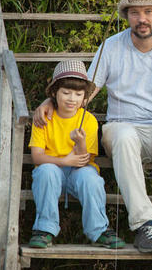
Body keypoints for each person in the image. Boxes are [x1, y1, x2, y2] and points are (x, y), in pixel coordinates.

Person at [34, 0, 152, 254]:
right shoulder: (111, 47)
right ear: (126, 15)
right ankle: (144, 224)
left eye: (149, 11)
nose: (142, 19)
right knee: (123, 135)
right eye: (135, 13)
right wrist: (50, 101)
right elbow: (83, 93)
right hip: (123, 129)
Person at [29, 60, 125, 249]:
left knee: (92, 179)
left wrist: (80, 142)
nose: (72, 98)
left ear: (84, 98)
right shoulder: (44, 118)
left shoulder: (87, 120)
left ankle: (98, 230)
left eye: (78, 94)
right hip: (52, 170)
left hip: (78, 172)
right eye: (66, 92)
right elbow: (37, 157)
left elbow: (84, 161)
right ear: (55, 93)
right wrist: (63, 160)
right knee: (46, 171)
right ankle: (44, 229)